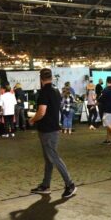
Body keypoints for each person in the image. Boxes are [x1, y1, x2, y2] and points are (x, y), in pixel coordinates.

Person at [29, 68, 76, 199]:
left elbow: (42, 112)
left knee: (54, 158)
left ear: (41, 79)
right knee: (49, 159)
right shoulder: (55, 91)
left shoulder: (44, 92)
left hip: (47, 131)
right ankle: (45, 185)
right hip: (53, 129)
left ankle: (70, 184)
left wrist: (32, 119)